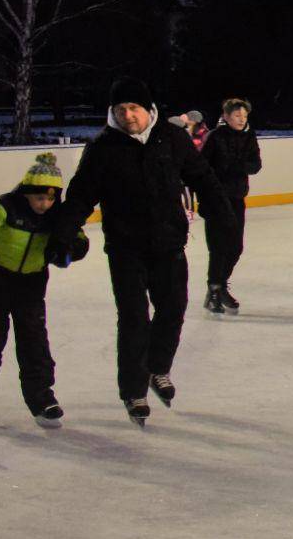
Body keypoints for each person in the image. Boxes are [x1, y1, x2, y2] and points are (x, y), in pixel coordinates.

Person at [55, 78, 234, 425]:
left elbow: (202, 177)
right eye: (120, 110)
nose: (128, 115)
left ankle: (157, 369)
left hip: (168, 243)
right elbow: (80, 196)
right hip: (125, 247)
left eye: (133, 108)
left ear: (148, 109)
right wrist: (64, 233)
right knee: (135, 318)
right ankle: (133, 390)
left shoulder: (172, 139)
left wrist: (223, 214)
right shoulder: (103, 148)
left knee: (173, 308)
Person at [0, 153, 83, 427]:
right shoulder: (7, 207)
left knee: (34, 342)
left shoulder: (58, 216)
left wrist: (67, 250)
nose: (44, 204)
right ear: (25, 194)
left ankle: (42, 398)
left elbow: (78, 238)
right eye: (38, 198)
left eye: (50, 198)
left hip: (31, 285)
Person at [199, 97, 262, 312]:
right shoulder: (215, 137)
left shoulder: (249, 136)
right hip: (215, 199)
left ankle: (220, 285)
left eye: (244, 115)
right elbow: (201, 166)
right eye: (237, 115)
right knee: (218, 247)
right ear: (226, 116)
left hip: (236, 198)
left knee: (235, 247)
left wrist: (235, 166)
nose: (241, 119)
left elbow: (255, 164)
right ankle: (214, 289)